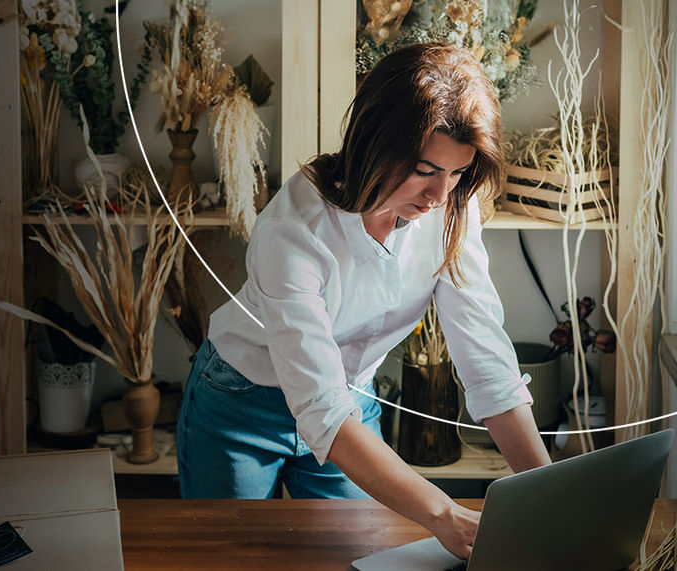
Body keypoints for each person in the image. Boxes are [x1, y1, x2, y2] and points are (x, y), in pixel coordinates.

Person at [175, 42, 551, 559]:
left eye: (458, 173)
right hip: (241, 403)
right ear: (375, 144)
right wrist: (444, 513)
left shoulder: (451, 211)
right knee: (228, 562)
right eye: (424, 169)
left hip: (350, 401)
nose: (440, 195)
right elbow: (319, 406)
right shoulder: (293, 230)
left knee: (360, 557)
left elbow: (488, 365)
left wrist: (554, 495)